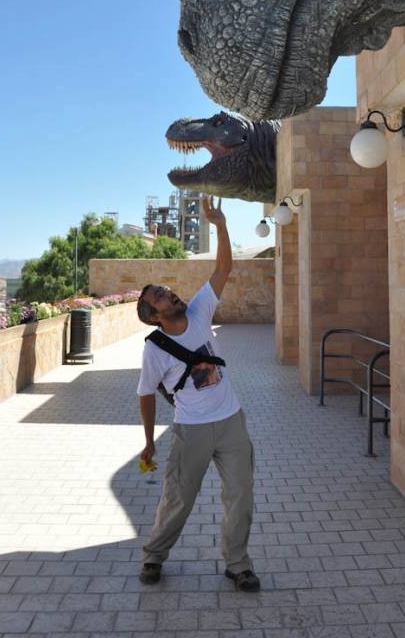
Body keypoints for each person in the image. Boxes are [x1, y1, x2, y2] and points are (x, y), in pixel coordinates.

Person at [135, 195, 259, 592]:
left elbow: (224, 267)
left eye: (166, 288)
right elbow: (146, 394)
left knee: (241, 496)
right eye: (159, 295)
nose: (168, 292)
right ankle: (154, 555)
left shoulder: (201, 309)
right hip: (190, 429)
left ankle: (237, 564)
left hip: (231, 422)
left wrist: (220, 224)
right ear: (154, 316)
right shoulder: (154, 348)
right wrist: (149, 441)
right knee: (178, 500)